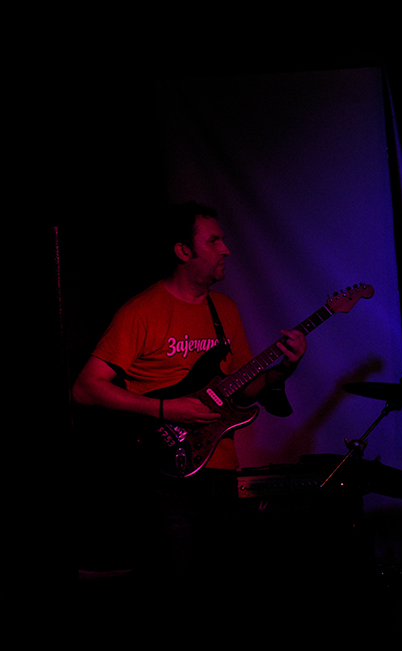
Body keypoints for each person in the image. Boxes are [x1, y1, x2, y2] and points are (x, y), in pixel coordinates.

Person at [72, 201, 307, 579]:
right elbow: (85, 388)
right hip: (165, 473)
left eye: (223, 240)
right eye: (213, 241)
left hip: (221, 470)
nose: (225, 249)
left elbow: (245, 390)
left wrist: (284, 368)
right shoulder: (141, 311)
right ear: (183, 251)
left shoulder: (225, 310)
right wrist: (167, 410)